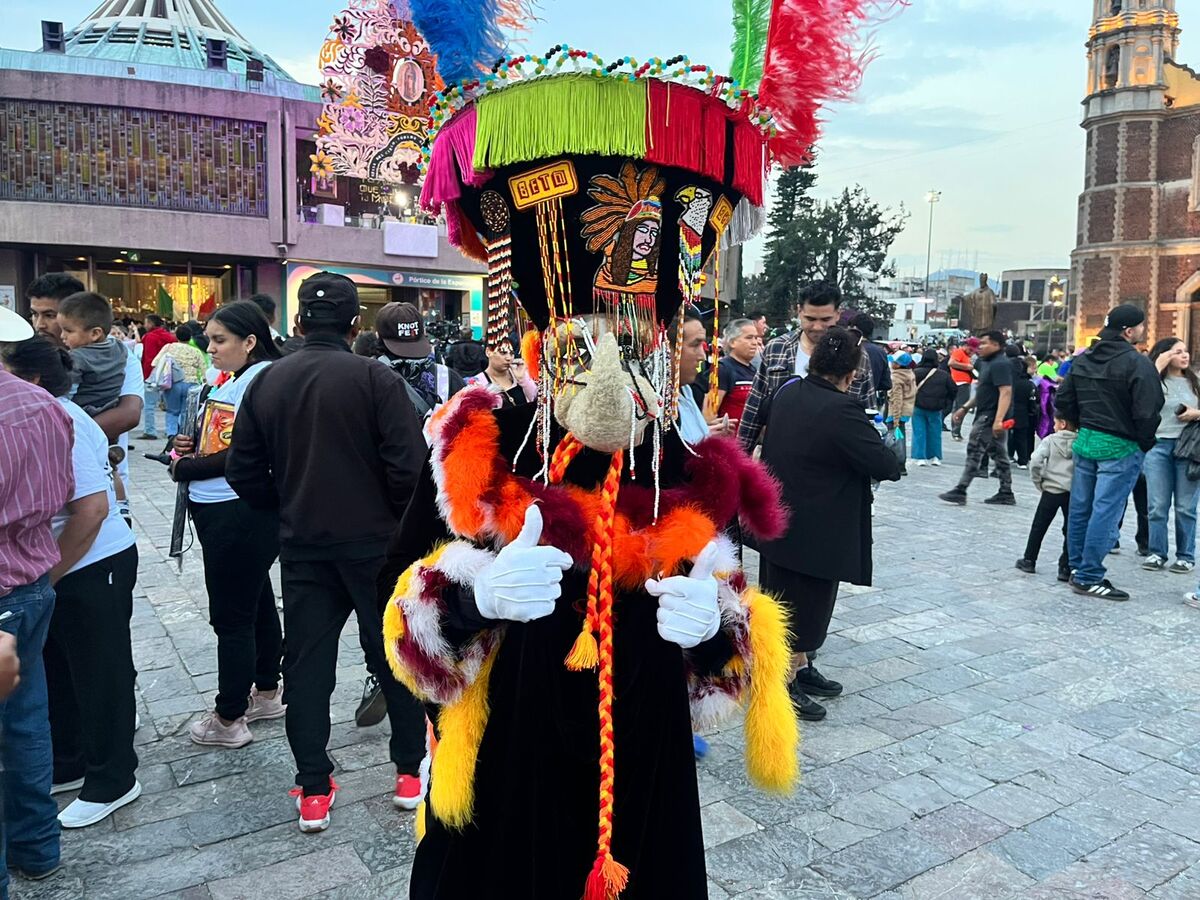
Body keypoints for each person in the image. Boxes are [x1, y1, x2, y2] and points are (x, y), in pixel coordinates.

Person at [225, 272, 429, 830]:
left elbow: (242, 469)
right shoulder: (374, 379)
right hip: (375, 546)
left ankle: (313, 786)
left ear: (297, 323)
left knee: (307, 665)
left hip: (304, 545)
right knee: (391, 653)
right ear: (354, 324)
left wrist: (287, 503)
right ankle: (410, 770)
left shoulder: (265, 381)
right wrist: (391, 521)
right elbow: (408, 471)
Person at [1, 336, 140, 830]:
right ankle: (72, 761)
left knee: (102, 675)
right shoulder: (43, 413)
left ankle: (114, 778)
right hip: (60, 564)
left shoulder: (65, 420)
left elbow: (93, 509)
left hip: (91, 560)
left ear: (32, 379)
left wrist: (47, 575)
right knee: (62, 672)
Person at [758, 326, 902, 721]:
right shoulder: (843, 411)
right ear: (851, 374)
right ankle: (782, 682)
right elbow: (884, 464)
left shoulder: (786, 391)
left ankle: (800, 668)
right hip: (816, 530)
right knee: (804, 607)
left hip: (778, 518)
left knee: (781, 598)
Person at [169, 302, 284, 748]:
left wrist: (187, 468)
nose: (210, 348)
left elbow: (246, 453)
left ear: (250, 341)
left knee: (231, 617)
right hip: (228, 509)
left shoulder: (260, 380)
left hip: (237, 510)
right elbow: (222, 438)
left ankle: (229, 717)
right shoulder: (241, 379)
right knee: (254, 601)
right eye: (209, 338)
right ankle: (267, 690)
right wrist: (189, 445)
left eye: (220, 340)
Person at [0, 309, 74, 894]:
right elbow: (64, 493)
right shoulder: (44, 405)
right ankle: (37, 845)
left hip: (7, 581)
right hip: (31, 573)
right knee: (26, 718)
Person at [1056, 304, 1164, 600]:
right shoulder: (1137, 363)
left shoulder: (1084, 358)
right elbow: (1148, 410)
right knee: (1106, 510)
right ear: (1129, 331)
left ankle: (1077, 567)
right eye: (1140, 327)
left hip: (1087, 438)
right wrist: (1143, 442)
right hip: (1120, 444)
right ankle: (1090, 575)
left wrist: (1080, 423)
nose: (1142, 331)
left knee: (1081, 508)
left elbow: (1064, 399)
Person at [26, 277, 143, 516]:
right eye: (34, 314)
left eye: (50, 315)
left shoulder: (115, 354)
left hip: (97, 489)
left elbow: (128, 414)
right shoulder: (28, 355)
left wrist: (50, 436)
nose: (40, 324)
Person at [739, 281, 874, 451]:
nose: (817, 327)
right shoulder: (777, 348)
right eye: (810, 319)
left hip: (835, 459)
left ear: (838, 314)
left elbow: (868, 413)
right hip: (780, 456)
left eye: (826, 320)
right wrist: (740, 462)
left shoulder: (857, 355)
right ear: (799, 311)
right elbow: (754, 409)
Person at [1140, 337, 1200, 574]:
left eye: (1186, 351)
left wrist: (1196, 413)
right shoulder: (1155, 381)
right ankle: (1156, 552)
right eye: (1178, 352)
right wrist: (1155, 366)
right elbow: (1141, 399)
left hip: (1189, 447)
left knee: (1186, 506)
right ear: (1165, 355)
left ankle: (1185, 555)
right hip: (1159, 446)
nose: (1184, 355)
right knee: (1157, 505)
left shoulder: (1195, 383)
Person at [940, 331, 1016, 506]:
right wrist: (965, 408)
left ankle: (961, 489)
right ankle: (1006, 491)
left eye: (984, 343)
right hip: (989, 413)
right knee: (998, 454)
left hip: (990, 415)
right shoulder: (986, 363)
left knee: (975, 451)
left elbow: (1005, 392)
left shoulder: (1000, 364)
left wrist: (998, 419)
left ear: (996, 345)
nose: (980, 347)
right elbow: (983, 390)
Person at [1015, 416, 1077, 582]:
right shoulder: (1080, 443)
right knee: (1070, 529)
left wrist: (1038, 481)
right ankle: (1065, 567)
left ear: (1063, 423)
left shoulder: (1050, 440)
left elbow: (1035, 460)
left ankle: (1029, 559)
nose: (1054, 426)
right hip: (1071, 491)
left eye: (1055, 422)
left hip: (1051, 489)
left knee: (1039, 526)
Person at [56, 291, 128, 416]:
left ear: (95, 333)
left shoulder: (76, 357)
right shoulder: (119, 347)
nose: (62, 336)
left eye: (68, 331)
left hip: (83, 413)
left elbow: (67, 395)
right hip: (110, 409)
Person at [149, 325, 207, 446]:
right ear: (190, 337)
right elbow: (204, 370)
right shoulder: (195, 351)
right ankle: (183, 434)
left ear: (176, 335)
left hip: (173, 383)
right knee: (186, 412)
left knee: (172, 411)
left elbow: (155, 362)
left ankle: (171, 434)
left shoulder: (169, 348)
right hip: (191, 384)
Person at [714, 318, 762, 432]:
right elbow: (709, 415)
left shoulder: (754, 371)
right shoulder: (723, 369)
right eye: (749, 338)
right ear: (732, 342)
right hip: (729, 444)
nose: (755, 342)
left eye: (756, 337)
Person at [911, 349, 955, 466]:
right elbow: (953, 390)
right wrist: (946, 402)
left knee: (919, 431)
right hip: (936, 407)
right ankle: (936, 457)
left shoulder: (915, 372)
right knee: (935, 432)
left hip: (918, 406)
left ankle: (920, 457)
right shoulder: (943, 374)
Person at [138, 313, 176, 439]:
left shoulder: (149, 337)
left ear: (151, 324)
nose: (145, 325)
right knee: (171, 407)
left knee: (149, 406)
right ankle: (171, 430)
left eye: (146, 322)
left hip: (152, 374)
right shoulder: (170, 337)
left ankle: (150, 431)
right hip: (169, 375)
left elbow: (148, 358)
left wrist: (145, 375)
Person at [467, 340, 537, 406]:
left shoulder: (519, 373)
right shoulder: (478, 383)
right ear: (488, 352)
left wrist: (522, 379)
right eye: (503, 353)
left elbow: (537, 401)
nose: (509, 358)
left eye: (512, 353)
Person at [849, 312, 892, 403]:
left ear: (855, 328)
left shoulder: (848, 349)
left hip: (847, 401)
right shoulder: (880, 352)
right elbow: (886, 384)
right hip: (871, 401)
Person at [1008, 350, 1036, 469]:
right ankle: (1023, 460)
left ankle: (1008, 455)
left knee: (1008, 435)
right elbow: (1032, 401)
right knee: (1022, 437)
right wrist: (1032, 411)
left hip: (1009, 411)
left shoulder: (1010, 382)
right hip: (1023, 413)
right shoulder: (1029, 384)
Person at [947, 337, 977, 440]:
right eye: (971, 350)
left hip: (963, 383)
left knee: (958, 407)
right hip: (960, 383)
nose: (972, 353)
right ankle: (956, 431)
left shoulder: (965, 354)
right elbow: (951, 363)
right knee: (961, 408)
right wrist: (967, 367)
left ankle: (955, 431)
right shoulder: (959, 352)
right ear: (966, 346)